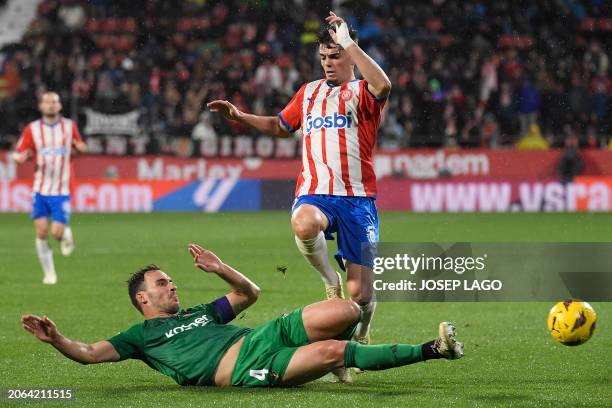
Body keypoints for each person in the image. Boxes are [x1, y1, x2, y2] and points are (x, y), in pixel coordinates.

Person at [207, 12, 391, 381]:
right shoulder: (308, 93)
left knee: (361, 298)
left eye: (335, 56)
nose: (328, 63)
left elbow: (384, 85)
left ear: (350, 56)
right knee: (303, 222)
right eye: (323, 57)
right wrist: (240, 116)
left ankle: (363, 327)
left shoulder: (362, 92)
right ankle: (328, 283)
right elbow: (279, 125)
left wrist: (349, 43)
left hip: (357, 200)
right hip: (315, 192)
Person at [21, 244, 464, 388]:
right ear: (142, 298)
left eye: (171, 280)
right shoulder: (139, 337)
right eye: (162, 284)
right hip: (248, 367)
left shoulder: (198, 313)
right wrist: (58, 339)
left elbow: (249, 293)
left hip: (266, 333)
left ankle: (347, 359)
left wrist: (220, 268)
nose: (172, 285)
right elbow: (90, 353)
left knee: (349, 308)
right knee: (334, 351)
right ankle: (435, 349)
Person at [10, 91, 87, 284]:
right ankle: (50, 274)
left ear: (60, 106)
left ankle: (66, 233)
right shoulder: (33, 129)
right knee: (42, 232)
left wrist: (81, 148)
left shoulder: (70, 127)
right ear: (41, 106)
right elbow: (17, 153)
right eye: (47, 102)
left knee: (56, 233)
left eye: (55, 101)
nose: (51, 105)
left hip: (61, 190)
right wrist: (19, 158)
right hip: (40, 189)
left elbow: (81, 146)